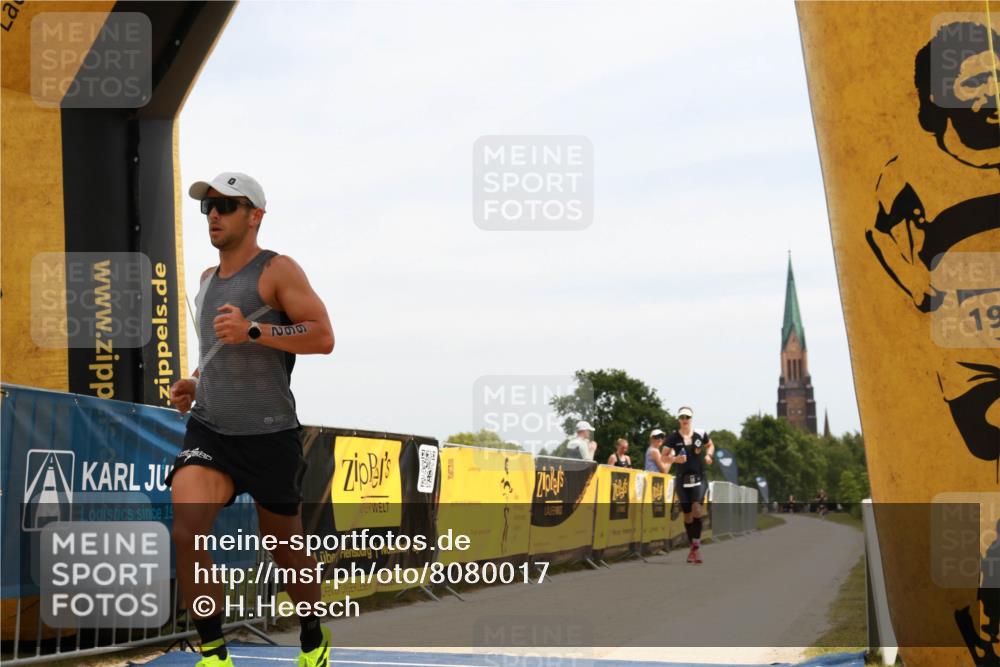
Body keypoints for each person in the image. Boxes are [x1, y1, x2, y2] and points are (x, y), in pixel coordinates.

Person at [167, 173, 335, 667]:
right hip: (212, 430)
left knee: (285, 549)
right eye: (208, 207)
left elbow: (323, 336)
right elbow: (218, 349)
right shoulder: (204, 280)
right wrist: (195, 382)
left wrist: (255, 330)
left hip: (269, 434)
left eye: (226, 205)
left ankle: (311, 631)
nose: (213, 214)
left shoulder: (278, 270)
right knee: (187, 530)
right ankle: (215, 651)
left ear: (255, 215)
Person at [664, 406, 715, 564]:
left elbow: (710, 445)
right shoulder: (673, 438)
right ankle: (692, 547)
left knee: (697, 510)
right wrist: (674, 459)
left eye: (687, 417)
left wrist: (708, 455)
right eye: (682, 417)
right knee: (687, 515)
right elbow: (663, 456)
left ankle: (697, 548)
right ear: (679, 419)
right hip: (681, 479)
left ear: (691, 419)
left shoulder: (700, 434)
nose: (684, 420)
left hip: (699, 477)